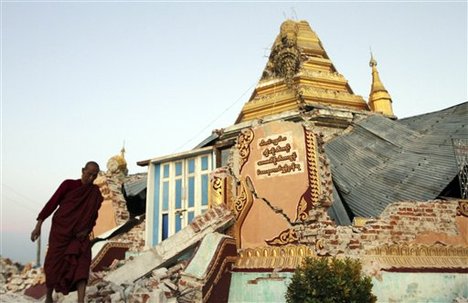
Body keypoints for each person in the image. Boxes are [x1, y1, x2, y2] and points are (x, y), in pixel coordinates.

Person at [30, 161, 103, 303]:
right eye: (89, 174)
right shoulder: (68, 185)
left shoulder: (94, 193)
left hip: (80, 236)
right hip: (61, 231)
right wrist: (39, 224)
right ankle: (49, 296)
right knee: (53, 264)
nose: (91, 178)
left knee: (82, 264)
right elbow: (52, 203)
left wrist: (87, 230)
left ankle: (80, 300)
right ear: (83, 171)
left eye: (95, 176)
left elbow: (93, 216)